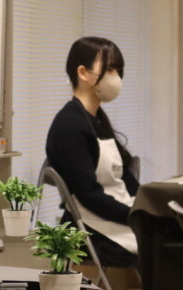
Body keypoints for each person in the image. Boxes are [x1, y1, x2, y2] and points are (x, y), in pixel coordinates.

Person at [45, 36, 139, 269]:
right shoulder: (69, 125)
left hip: (117, 219)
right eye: (109, 69)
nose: (116, 77)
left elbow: (125, 180)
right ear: (83, 73)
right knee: (182, 251)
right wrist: (136, 216)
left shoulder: (97, 120)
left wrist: (150, 206)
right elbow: (89, 195)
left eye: (118, 70)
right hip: (92, 232)